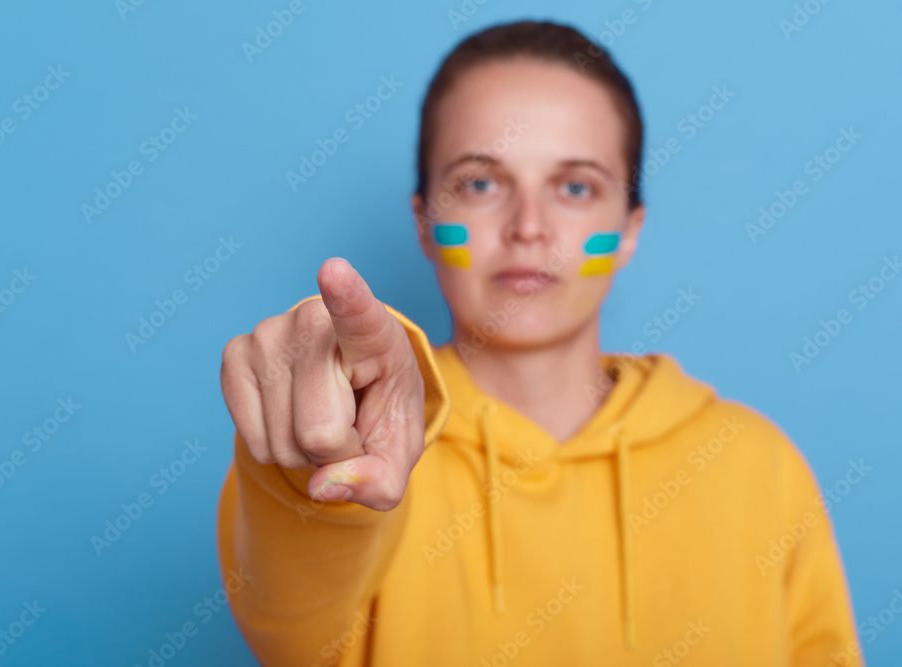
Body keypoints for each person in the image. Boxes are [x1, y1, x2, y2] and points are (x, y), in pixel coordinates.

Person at [217, 20, 863, 666]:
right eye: (480, 183)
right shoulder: (360, 444)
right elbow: (287, 627)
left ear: (629, 229)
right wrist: (313, 469)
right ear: (423, 222)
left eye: (576, 187)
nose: (529, 227)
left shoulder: (760, 468)